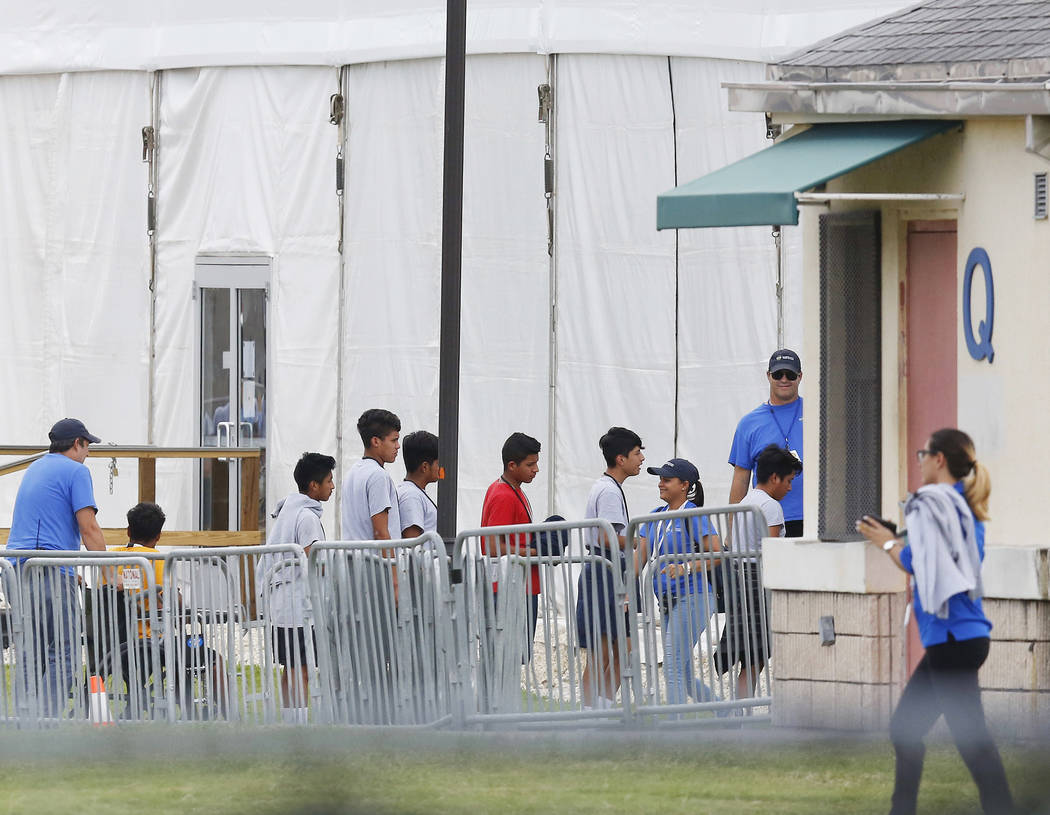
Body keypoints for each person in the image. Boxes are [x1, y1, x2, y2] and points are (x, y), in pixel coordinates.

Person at [857, 428, 1014, 815]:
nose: (920, 460)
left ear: (939, 459)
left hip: (952, 640)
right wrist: (900, 540)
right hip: (961, 639)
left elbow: (917, 564)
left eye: (923, 454)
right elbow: (934, 559)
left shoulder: (935, 504)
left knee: (970, 740)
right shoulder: (962, 508)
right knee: (906, 729)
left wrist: (889, 544)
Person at [7, 418, 107, 716]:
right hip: (47, 569)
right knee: (63, 652)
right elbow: (88, 528)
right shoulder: (77, 471)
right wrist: (110, 570)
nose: (88, 452)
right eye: (87, 446)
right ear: (77, 443)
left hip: (16, 569)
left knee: (30, 653)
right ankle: (48, 723)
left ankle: (24, 721)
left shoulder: (36, 467)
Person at [716, 444, 802, 700]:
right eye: (788, 481)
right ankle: (743, 712)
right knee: (757, 655)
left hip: (741, 579)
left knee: (751, 657)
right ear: (774, 477)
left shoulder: (745, 501)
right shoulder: (771, 506)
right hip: (759, 581)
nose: (789, 487)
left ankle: (740, 710)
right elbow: (772, 549)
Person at [257, 452, 335, 724]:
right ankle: (299, 727)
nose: (332, 486)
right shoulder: (307, 517)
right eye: (329, 481)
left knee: (289, 668)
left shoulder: (288, 512)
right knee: (301, 668)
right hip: (297, 605)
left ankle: (291, 723)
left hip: (282, 605)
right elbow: (314, 558)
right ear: (313, 486)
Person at [575, 427, 645, 708]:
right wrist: (638, 541)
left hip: (610, 572)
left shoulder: (609, 488)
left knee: (622, 651)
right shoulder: (607, 491)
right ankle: (589, 712)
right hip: (604, 573)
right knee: (602, 652)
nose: (641, 458)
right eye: (637, 452)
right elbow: (606, 536)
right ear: (620, 458)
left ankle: (600, 708)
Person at [642, 458, 721, 708]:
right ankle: (728, 714)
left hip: (694, 596)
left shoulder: (693, 514)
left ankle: (674, 731)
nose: (660, 484)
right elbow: (639, 557)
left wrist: (686, 567)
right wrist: (622, 590)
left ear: (685, 485)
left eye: (667, 480)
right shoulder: (655, 515)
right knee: (682, 674)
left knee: (672, 666)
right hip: (667, 601)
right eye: (660, 479)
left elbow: (717, 553)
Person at [729, 349, 804, 536]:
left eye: (790, 374)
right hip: (767, 520)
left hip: (814, 519)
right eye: (778, 374)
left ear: (800, 376)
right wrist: (732, 532)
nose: (784, 379)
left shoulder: (819, 412)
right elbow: (741, 479)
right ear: (768, 376)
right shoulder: (748, 424)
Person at [480, 432, 541, 659]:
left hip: (519, 586)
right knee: (505, 659)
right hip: (510, 588)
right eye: (530, 464)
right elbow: (493, 545)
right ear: (512, 465)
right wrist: (533, 552)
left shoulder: (514, 490)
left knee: (511, 659)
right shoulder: (503, 494)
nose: (535, 470)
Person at [397, 430, 439, 540]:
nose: (442, 468)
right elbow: (413, 544)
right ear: (425, 467)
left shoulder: (413, 492)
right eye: (439, 463)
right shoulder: (411, 496)